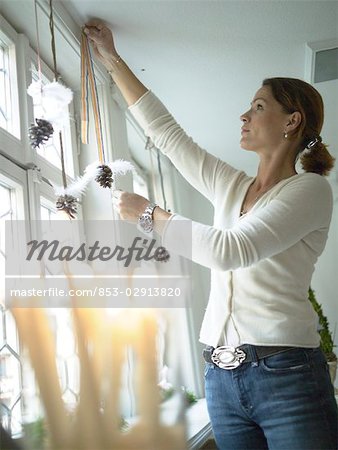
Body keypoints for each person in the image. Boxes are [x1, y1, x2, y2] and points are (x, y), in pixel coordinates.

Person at [84, 19, 338, 450]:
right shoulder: (232, 185)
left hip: (288, 377)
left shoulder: (310, 190)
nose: (244, 114)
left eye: (258, 107)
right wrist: (112, 61)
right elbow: (167, 135)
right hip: (220, 380)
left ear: (292, 121)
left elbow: (230, 249)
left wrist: (150, 215)